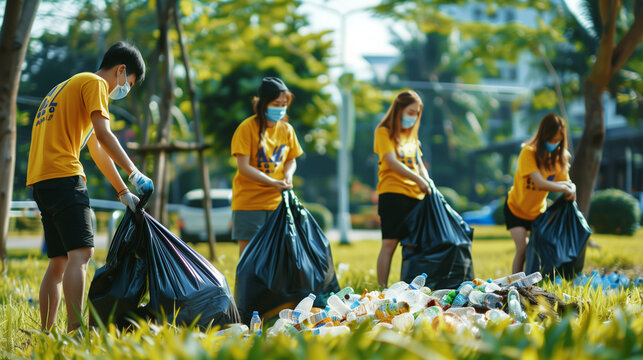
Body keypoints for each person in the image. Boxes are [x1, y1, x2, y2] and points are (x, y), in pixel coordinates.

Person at [26, 41, 154, 332]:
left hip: (41, 181)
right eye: (129, 83)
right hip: (65, 176)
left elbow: (96, 148)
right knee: (81, 254)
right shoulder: (95, 83)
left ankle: (48, 333)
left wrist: (122, 190)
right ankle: (74, 331)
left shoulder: (64, 88)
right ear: (121, 71)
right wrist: (135, 173)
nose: (125, 89)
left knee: (59, 261)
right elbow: (105, 134)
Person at [230, 77, 303, 256]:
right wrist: (272, 182)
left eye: (284, 104)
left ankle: (272, 286)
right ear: (263, 104)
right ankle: (246, 286)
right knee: (249, 255)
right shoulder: (247, 128)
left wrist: (288, 176)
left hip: (277, 204)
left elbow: (291, 159)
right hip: (249, 203)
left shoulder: (286, 130)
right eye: (276, 104)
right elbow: (243, 167)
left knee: (277, 256)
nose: (281, 108)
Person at [374, 90, 432, 288]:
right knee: (389, 244)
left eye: (416, 113)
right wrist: (417, 178)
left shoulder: (411, 136)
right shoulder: (384, 132)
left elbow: (418, 162)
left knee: (414, 246)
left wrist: (427, 180)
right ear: (398, 110)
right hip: (393, 195)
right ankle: (382, 288)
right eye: (410, 111)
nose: (413, 117)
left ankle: (408, 287)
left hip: (415, 197)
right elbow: (390, 161)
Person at [505, 113, 576, 274]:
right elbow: (540, 182)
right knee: (522, 249)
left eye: (557, 141)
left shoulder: (560, 159)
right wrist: (566, 187)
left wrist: (572, 190)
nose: (553, 143)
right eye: (550, 140)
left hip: (537, 213)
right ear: (543, 136)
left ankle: (533, 281)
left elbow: (567, 184)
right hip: (515, 209)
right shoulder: (528, 153)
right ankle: (514, 284)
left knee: (538, 249)